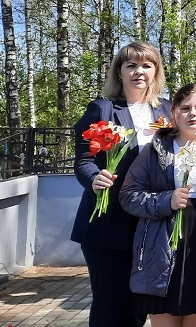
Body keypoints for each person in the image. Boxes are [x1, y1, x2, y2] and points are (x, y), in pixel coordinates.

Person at [70, 41, 172, 327]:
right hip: (107, 223)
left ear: (155, 72)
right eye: (131, 65)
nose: (139, 71)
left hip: (149, 224)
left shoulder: (165, 111)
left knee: (139, 305)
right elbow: (83, 160)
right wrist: (94, 179)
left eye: (146, 65)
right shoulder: (102, 109)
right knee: (110, 305)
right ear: (119, 72)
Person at [119, 83, 196, 327]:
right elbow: (128, 195)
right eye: (184, 108)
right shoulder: (156, 149)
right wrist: (166, 201)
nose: (192, 113)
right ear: (173, 112)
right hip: (161, 248)